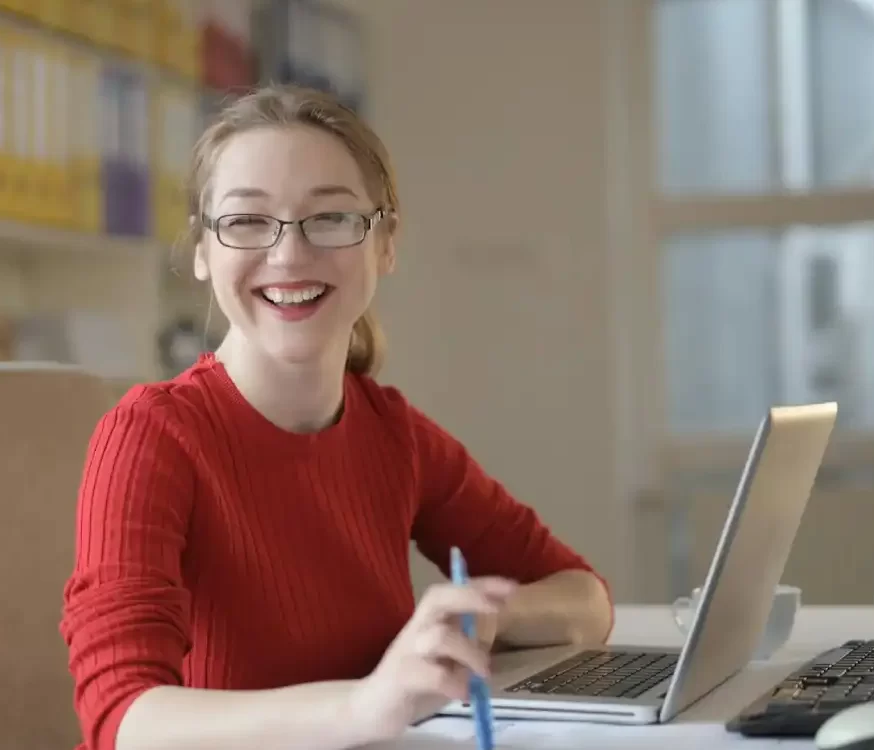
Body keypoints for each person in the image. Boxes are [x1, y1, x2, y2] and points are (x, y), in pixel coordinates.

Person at [59, 84, 614, 750]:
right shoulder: (152, 437)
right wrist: (368, 705)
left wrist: (486, 619)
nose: (289, 255)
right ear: (204, 251)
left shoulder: (394, 434)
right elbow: (122, 720)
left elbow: (587, 600)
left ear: (384, 243)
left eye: (330, 219)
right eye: (246, 221)